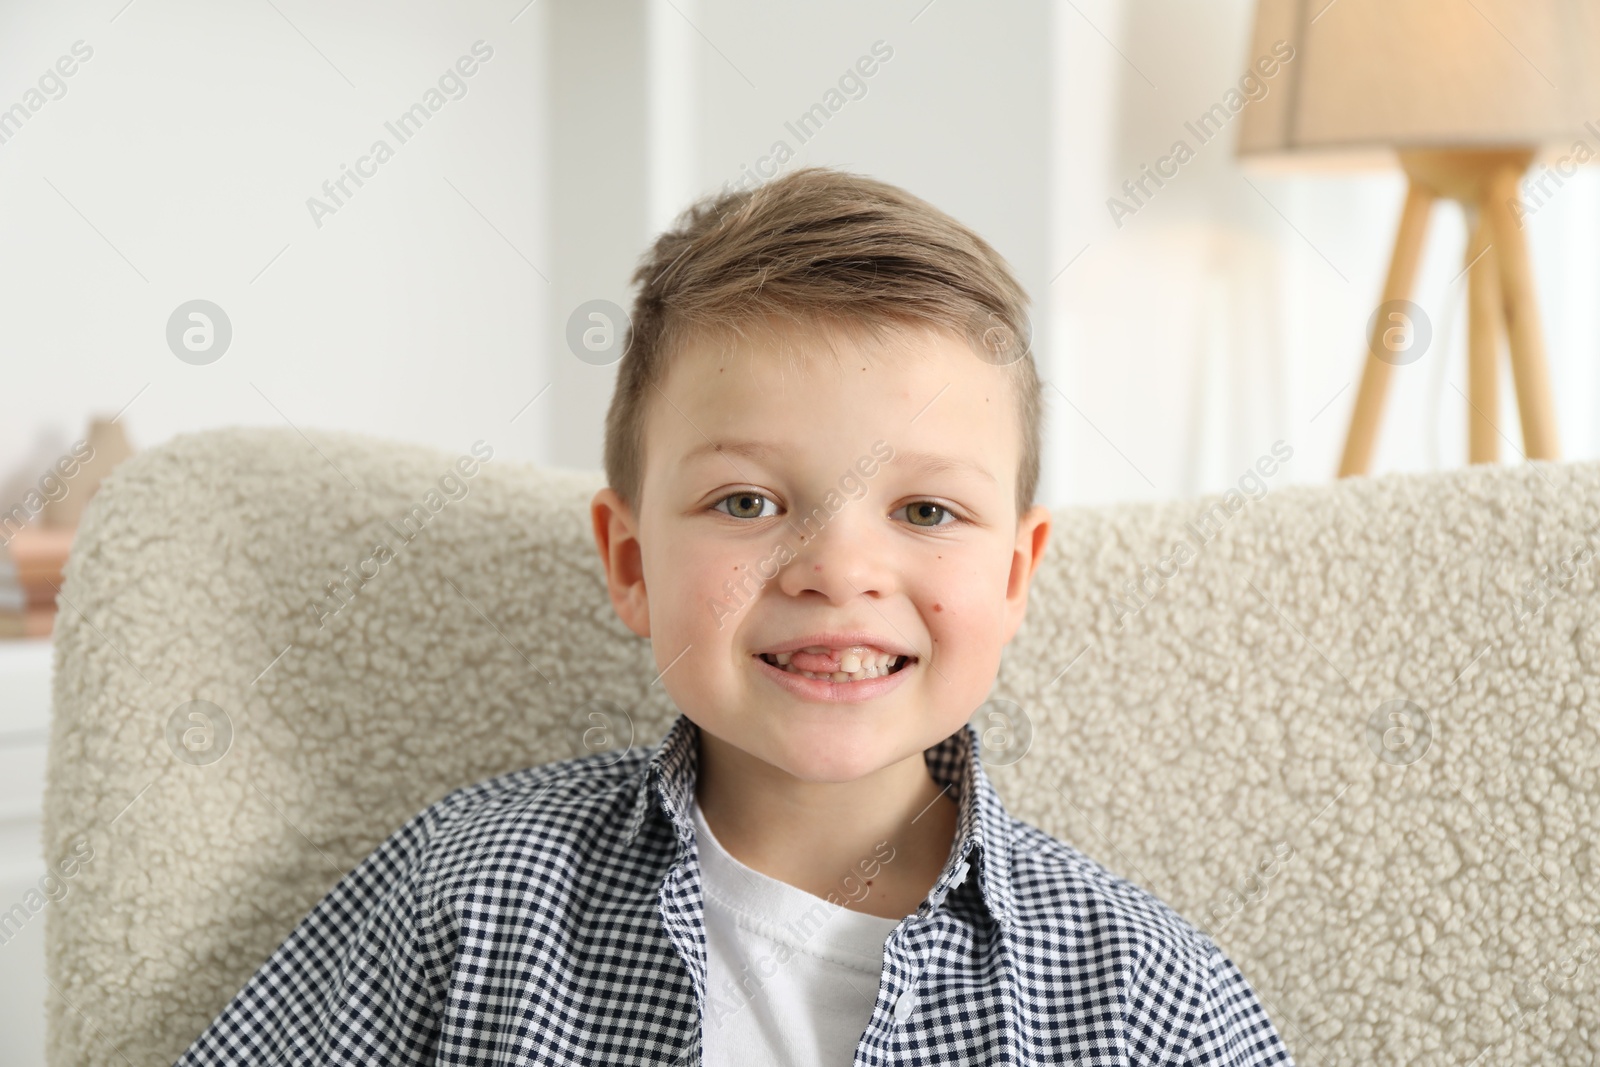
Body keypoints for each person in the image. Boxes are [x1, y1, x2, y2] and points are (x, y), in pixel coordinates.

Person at [172, 166, 1296, 1065]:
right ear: (630, 561)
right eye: (748, 500)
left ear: (1014, 576)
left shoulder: (1152, 998)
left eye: (925, 507)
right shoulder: (465, 895)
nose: (838, 567)